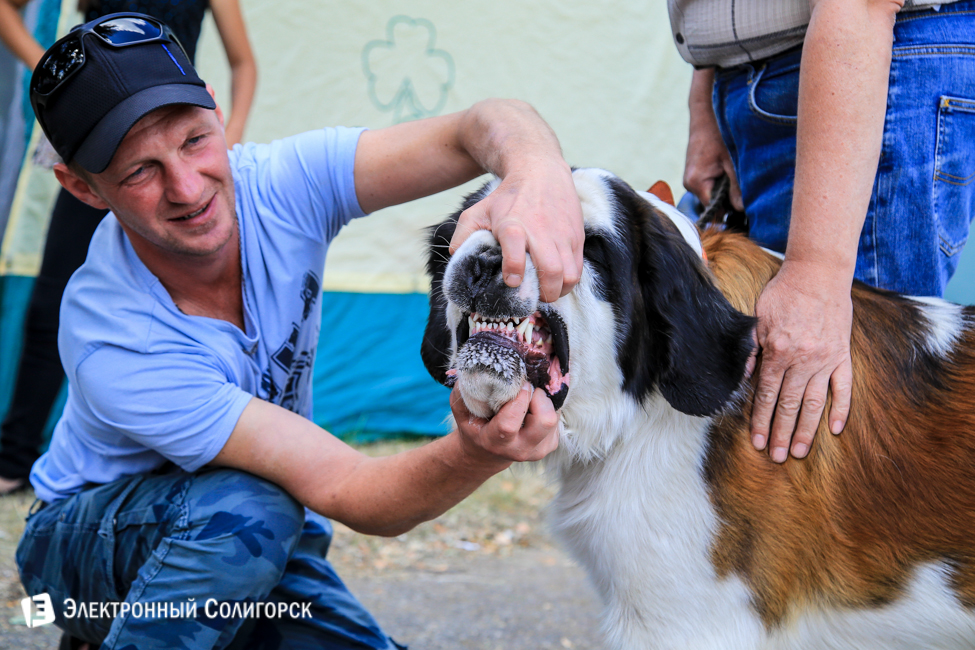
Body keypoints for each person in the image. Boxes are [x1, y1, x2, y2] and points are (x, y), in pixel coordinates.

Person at [15, 12, 583, 649]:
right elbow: (350, 488)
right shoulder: (115, 337)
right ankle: (105, 627)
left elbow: (478, 127)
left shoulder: (278, 185)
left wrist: (536, 176)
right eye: (139, 172)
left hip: (251, 544)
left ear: (216, 109)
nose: (187, 188)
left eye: (195, 140)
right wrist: (477, 452)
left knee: (259, 528)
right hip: (82, 552)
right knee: (248, 514)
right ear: (82, 188)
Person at [669, 0, 975, 463]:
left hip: (864, 55)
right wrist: (707, 96)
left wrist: (817, 276)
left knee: (834, 447)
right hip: (762, 75)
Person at [0, 0, 257, 494]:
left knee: (201, 297)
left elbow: (243, 62)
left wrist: (224, 138)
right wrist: (53, 79)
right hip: (105, 148)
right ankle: (14, 456)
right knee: (53, 296)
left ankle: (197, 444)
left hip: (172, 139)